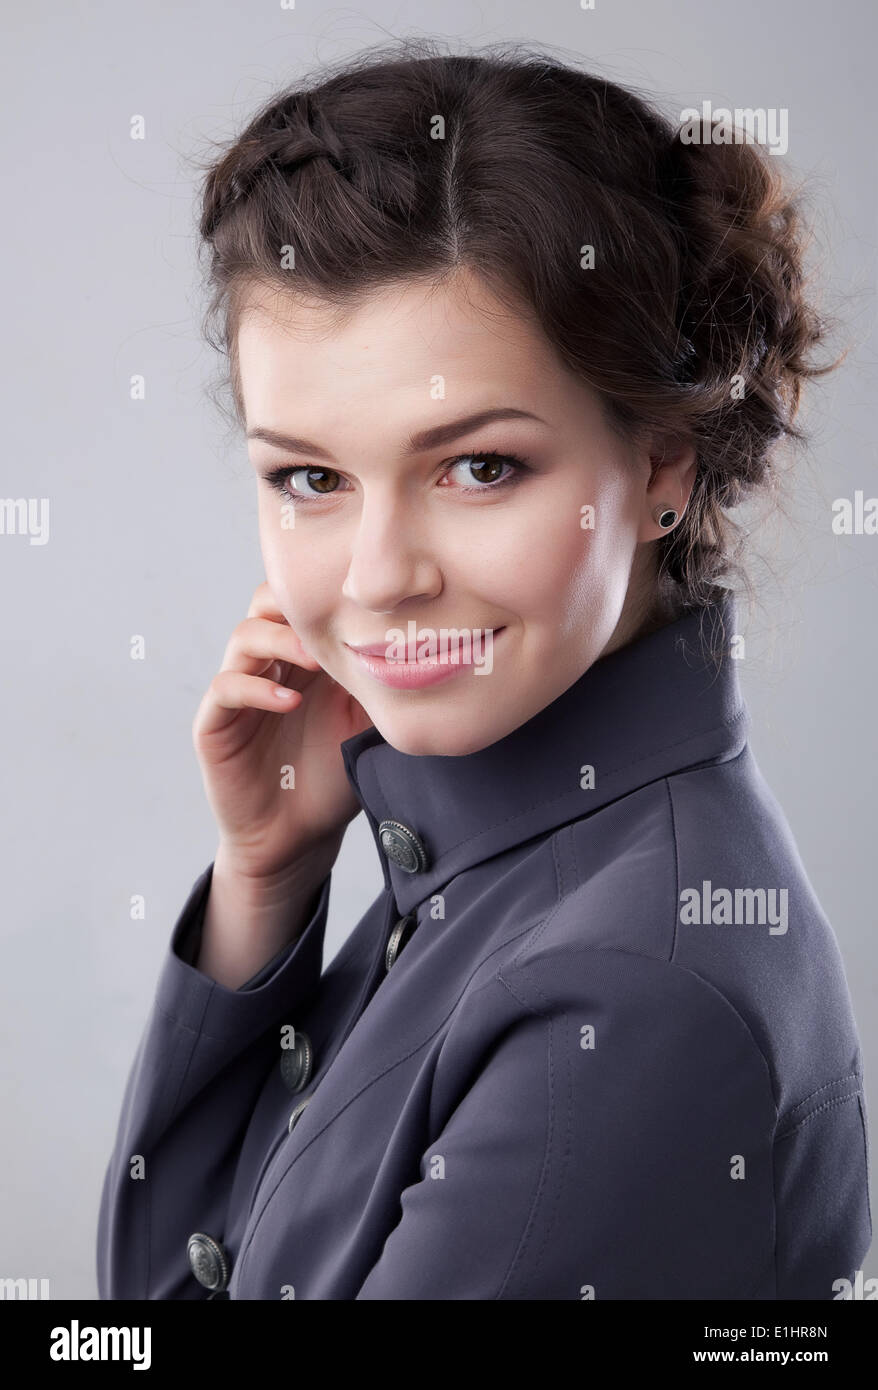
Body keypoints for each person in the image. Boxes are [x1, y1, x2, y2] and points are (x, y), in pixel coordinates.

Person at [96, 41, 871, 1299]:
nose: (378, 575)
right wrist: (268, 880)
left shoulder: (619, 1001)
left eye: (478, 467)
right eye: (311, 479)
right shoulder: (489, 865)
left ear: (660, 465)